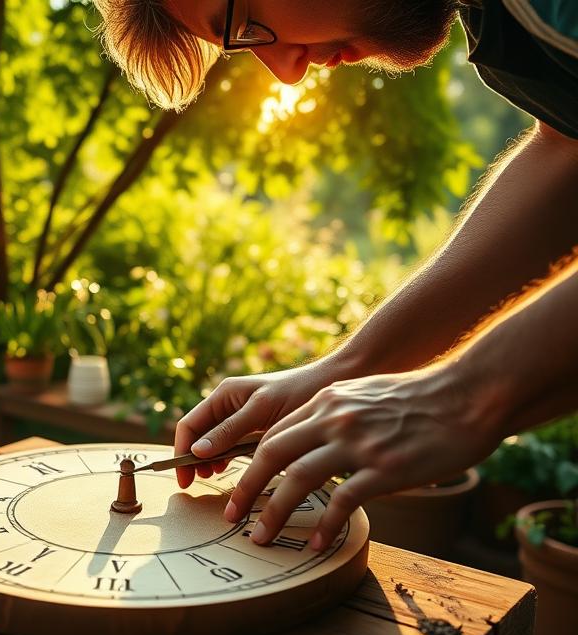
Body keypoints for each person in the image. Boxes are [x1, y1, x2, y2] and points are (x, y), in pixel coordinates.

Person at [91, 0, 578, 552]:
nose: (286, 72)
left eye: (239, 17)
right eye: (238, 44)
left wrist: (466, 394)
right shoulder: (501, 23)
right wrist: (347, 368)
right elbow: (568, 149)